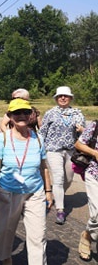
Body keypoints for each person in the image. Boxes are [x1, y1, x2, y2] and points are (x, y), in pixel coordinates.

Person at [0, 98, 54, 265]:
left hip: (35, 192)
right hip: (7, 193)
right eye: (17, 113)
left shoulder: (38, 138)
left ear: (31, 115)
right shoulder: (4, 138)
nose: (22, 116)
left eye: (26, 112)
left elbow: (43, 166)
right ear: (10, 116)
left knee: (38, 234)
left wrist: (49, 191)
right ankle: (6, 258)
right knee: (5, 230)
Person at [40, 86, 85, 225]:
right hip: (54, 150)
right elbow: (42, 132)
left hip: (71, 151)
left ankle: (57, 193)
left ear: (70, 98)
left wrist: (82, 129)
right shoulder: (50, 113)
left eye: (66, 96)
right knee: (58, 178)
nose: (63, 98)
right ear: (56, 98)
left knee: (69, 178)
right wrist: (39, 148)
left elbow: (85, 134)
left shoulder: (77, 114)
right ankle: (60, 209)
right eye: (60, 96)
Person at [74, 120, 98, 261]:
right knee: (96, 214)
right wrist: (94, 153)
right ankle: (88, 235)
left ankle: (88, 234)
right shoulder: (95, 125)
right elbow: (78, 144)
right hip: (94, 174)